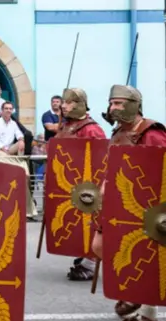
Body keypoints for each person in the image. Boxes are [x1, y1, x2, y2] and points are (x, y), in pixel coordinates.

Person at [92, 84, 166, 321]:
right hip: (119, 206)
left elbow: (161, 171)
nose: (113, 108)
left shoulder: (151, 133)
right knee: (99, 246)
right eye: (112, 103)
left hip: (145, 208)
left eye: (119, 104)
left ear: (134, 105)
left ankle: (148, 313)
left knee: (147, 255)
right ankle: (132, 291)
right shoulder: (117, 133)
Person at [53, 88, 108, 282]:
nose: (63, 105)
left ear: (79, 104)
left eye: (68, 102)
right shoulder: (66, 126)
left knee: (90, 222)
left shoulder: (91, 129)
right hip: (69, 185)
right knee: (73, 222)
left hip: (88, 187)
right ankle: (84, 252)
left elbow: (102, 159)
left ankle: (90, 263)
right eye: (64, 102)